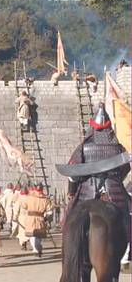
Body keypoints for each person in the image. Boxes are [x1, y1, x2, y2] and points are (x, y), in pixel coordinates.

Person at [66, 103, 130, 260]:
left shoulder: (83, 147)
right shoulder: (119, 148)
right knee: (128, 219)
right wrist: (115, 178)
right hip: (114, 192)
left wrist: (72, 192)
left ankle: (69, 248)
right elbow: (125, 170)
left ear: (93, 127)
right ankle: (128, 252)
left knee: (68, 219)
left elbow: (72, 175)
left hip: (87, 192)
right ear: (109, 127)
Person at [21, 185, 52, 257]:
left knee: (35, 235)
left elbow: (23, 206)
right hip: (38, 218)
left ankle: (37, 249)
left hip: (31, 218)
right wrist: (47, 218)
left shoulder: (29, 197)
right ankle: (37, 249)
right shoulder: (45, 199)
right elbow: (49, 211)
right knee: (35, 236)